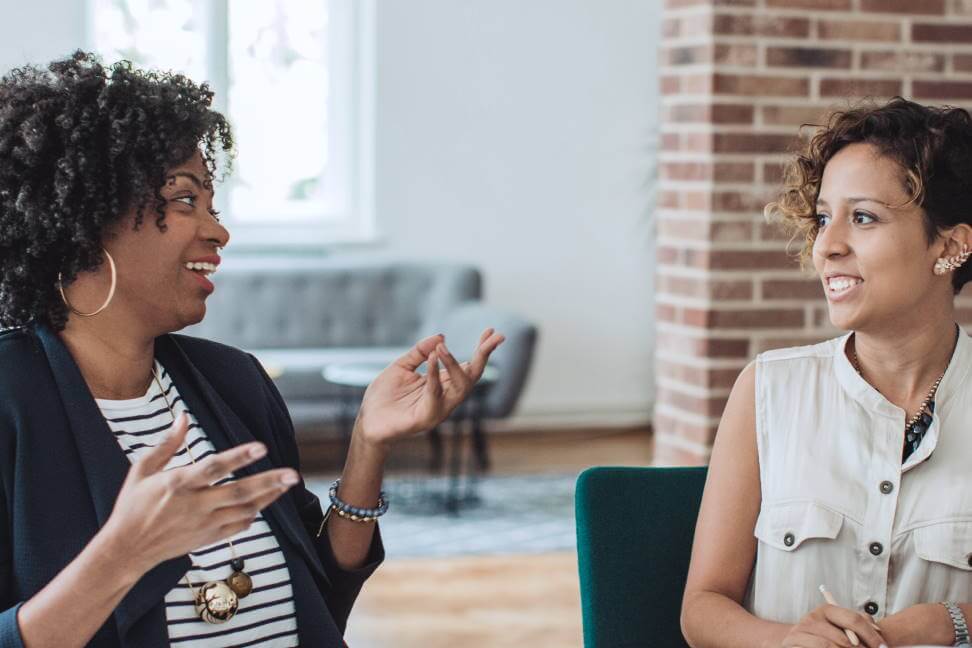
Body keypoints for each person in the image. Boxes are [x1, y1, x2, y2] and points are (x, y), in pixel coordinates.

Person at [0, 51, 505, 648]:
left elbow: (319, 603)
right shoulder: (12, 399)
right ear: (90, 214)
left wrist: (368, 445)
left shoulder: (233, 381)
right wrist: (120, 558)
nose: (218, 230)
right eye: (186, 200)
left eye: (213, 206)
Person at [680, 97, 972, 648]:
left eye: (862, 217)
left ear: (950, 246)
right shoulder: (767, 390)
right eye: (822, 218)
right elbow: (702, 608)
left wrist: (953, 622)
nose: (827, 246)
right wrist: (788, 640)